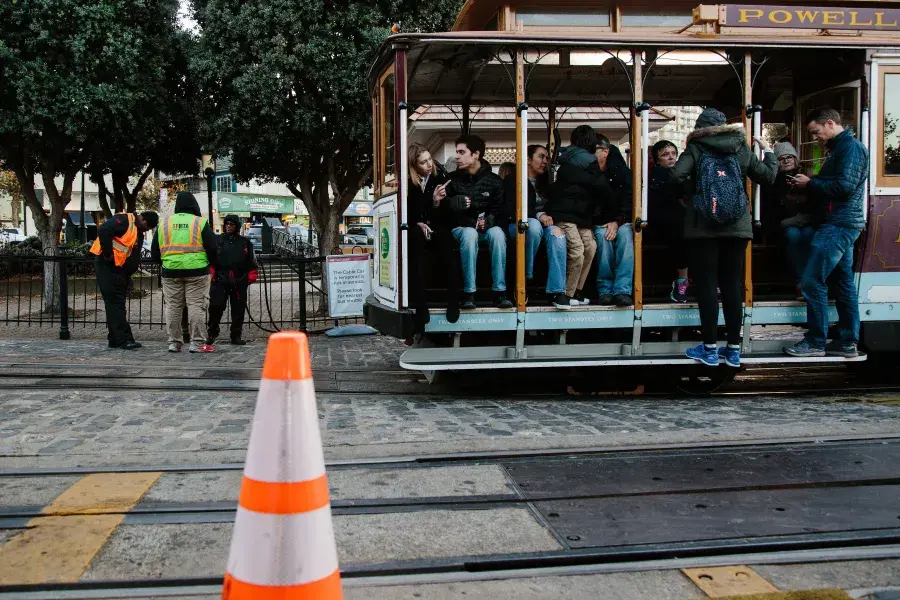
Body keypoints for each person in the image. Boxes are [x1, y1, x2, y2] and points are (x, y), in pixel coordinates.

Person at [670, 107, 777, 368]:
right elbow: (768, 176)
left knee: (707, 286)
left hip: (702, 227)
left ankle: (709, 348)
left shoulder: (696, 147)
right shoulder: (740, 146)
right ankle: (733, 350)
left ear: (700, 127)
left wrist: (695, 192)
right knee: (731, 286)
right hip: (737, 226)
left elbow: (675, 175)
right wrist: (769, 152)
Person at [784, 106, 868, 359]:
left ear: (830, 123)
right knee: (843, 283)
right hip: (841, 223)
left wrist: (810, 183)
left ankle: (816, 341)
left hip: (838, 224)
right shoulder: (843, 148)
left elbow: (844, 186)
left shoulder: (850, 149)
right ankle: (847, 342)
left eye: (816, 131)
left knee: (811, 281)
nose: (814, 137)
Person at [437, 134, 512, 309]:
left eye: (461, 152)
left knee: (498, 234)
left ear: (476, 154)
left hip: (486, 229)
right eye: (456, 152)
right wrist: (453, 204)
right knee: (470, 234)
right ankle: (469, 293)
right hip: (461, 229)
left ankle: (500, 292)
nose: (457, 156)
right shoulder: (451, 179)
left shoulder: (495, 181)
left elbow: (500, 210)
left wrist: (488, 221)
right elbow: (442, 210)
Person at [543, 125, 614, 302]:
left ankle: (575, 290)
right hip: (570, 214)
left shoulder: (564, 158)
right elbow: (602, 187)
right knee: (579, 250)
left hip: (576, 214)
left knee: (590, 247)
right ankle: (567, 294)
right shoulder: (590, 162)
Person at [500, 145, 570, 309]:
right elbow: (512, 208)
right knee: (532, 226)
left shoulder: (546, 182)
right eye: (541, 157)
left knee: (557, 235)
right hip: (517, 225)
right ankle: (524, 277)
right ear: (528, 160)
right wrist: (539, 215)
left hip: (543, 226)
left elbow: (556, 206)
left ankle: (557, 291)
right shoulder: (512, 180)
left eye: (547, 158)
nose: (545, 161)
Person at [151, 192, 219, 353]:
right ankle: (197, 343)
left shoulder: (164, 223)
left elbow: (154, 252)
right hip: (197, 271)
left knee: (173, 307)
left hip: (170, 271)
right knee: (196, 306)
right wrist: (211, 263)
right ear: (194, 205)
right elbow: (213, 247)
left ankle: (174, 343)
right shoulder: (200, 222)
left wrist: (167, 262)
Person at [407, 142, 461, 330]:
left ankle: (454, 300)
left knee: (447, 242)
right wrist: (418, 223)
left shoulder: (440, 178)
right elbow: (409, 212)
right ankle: (420, 304)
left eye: (429, 159)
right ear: (414, 165)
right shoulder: (408, 183)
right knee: (415, 242)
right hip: (417, 230)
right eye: (423, 162)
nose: (429, 164)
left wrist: (437, 202)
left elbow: (447, 215)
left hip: (438, 227)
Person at [90, 211, 159, 349]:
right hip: (110, 268)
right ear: (144, 221)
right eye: (147, 228)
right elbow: (104, 230)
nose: (146, 231)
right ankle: (122, 339)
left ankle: (116, 338)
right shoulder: (125, 220)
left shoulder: (134, 228)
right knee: (117, 305)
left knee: (114, 305)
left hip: (117, 270)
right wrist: (108, 254)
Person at [593, 135, 635, 306]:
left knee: (626, 236)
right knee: (603, 237)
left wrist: (618, 221)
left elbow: (630, 199)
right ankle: (605, 289)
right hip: (600, 221)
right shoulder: (589, 171)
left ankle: (622, 289)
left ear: (605, 151)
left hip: (623, 220)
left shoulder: (623, 172)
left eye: (593, 150)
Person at [648, 140, 691, 303]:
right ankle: (682, 280)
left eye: (673, 154)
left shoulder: (681, 175)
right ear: (657, 159)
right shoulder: (657, 175)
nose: (671, 157)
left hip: (677, 221)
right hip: (661, 223)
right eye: (666, 155)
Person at [207, 214, 258, 346]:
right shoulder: (218, 240)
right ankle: (212, 332)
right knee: (215, 307)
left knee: (238, 310)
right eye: (227, 224)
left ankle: (236, 335)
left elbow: (251, 261)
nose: (228, 226)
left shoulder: (245, 242)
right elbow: (211, 259)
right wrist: (212, 275)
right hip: (220, 279)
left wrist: (250, 276)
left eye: (231, 224)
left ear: (237, 226)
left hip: (239, 280)